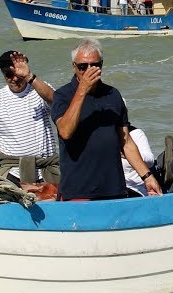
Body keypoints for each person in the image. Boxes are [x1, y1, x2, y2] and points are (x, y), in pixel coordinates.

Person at [51, 38, 161, 200]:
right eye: (83, 66)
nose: (89, 70)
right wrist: (82, 90)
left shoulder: (113, 95)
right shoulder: (62, 95)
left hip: (114, 188)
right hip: (79, 190)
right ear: (74, 67)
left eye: (94, 65)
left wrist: (147, 176)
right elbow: (65, 131)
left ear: (101, 65)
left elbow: (126, 142)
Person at [0, 50, 59, 187]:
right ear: (3, 74)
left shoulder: (39, 89)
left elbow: (58, 103)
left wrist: (29, 77)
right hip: (13, 172)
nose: (15, 78)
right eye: (9, 75)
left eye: (19, 74)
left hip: (46, 171)